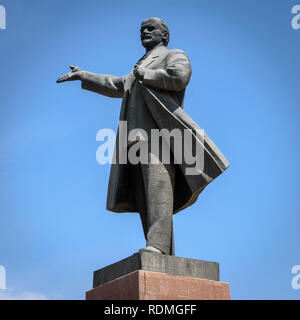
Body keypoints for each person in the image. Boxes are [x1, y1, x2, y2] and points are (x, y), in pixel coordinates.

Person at [57, 17, 229, 256]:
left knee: (158, 189)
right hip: (133, 141)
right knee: (145, 198)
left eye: (151, 29)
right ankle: (161, 250)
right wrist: (84, 75)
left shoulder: (172, 55)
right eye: (141, 30)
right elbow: (115, 84)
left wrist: (146, 74)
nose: (144, 32)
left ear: (164, 35)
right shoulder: (138, 66)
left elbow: (179, 77)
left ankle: (157, 245)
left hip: (159, 135)